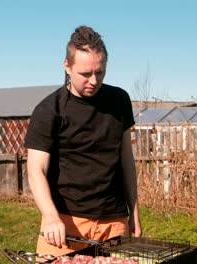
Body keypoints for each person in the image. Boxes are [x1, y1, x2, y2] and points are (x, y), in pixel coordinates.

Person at [24, 25, 142, 257]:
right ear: (67, 66)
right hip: (65, 222)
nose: (94, 80)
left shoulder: (119, 101)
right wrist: (50, 216)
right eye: (85, 74)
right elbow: (35, 169)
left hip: (114, 220)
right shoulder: (49, 110)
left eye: (100, 72)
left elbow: (126, 159)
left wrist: (134, 211)